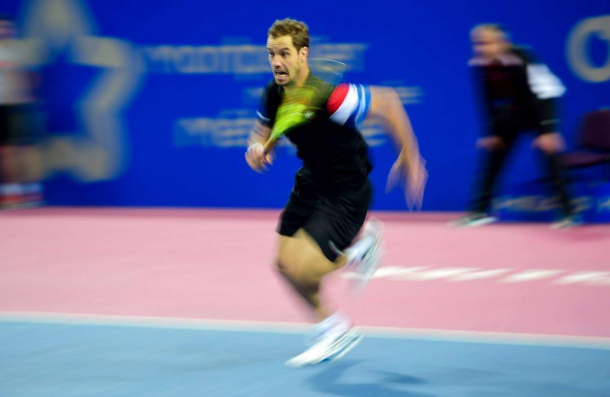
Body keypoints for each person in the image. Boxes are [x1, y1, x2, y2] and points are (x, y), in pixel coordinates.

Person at [245, 18, 427, 366]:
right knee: (283, 264)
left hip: (346, 190)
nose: (276, 62)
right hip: (311, 181)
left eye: (284, 53)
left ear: (303, 53)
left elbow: (388, 102)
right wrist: (256, 149)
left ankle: (360, 249)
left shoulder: (328, 97)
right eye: (271, 54)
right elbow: (261, 133)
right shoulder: (273, 92)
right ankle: (333, 328)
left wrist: (409, 153)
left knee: (305, 270)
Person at [456, 24, 579, 228]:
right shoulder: (479, 63)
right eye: (478, 43)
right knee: (492, 162)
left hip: (539, 112)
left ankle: (568, 214)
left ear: (503, 42)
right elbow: (486, 98)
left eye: (487, 42)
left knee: (551, 163)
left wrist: (549, 130)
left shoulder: (524, 57)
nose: (481, 48)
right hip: (511, 115)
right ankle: (479, 212)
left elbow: (547, 92)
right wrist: (491, 132)